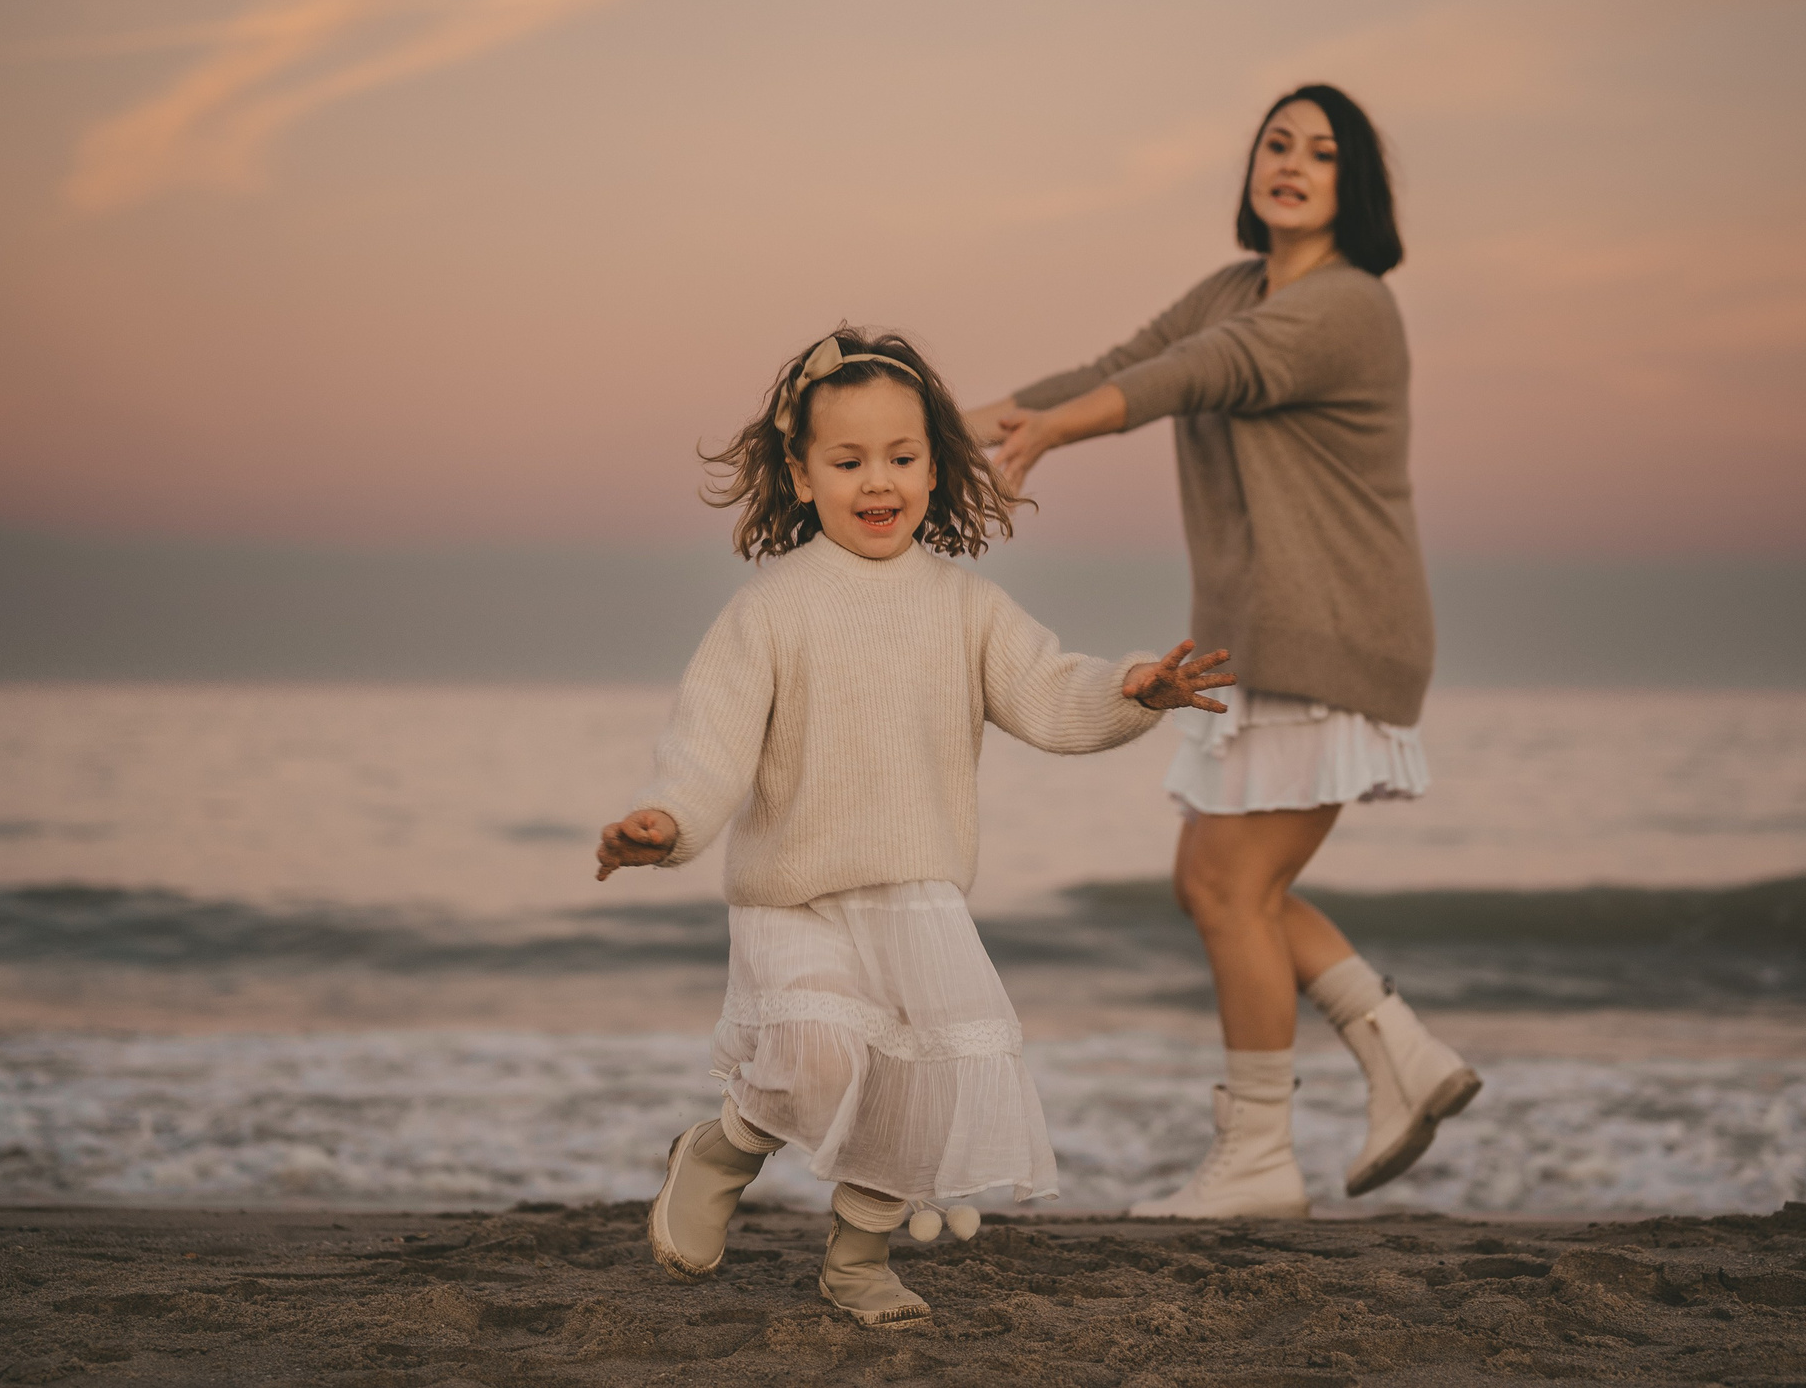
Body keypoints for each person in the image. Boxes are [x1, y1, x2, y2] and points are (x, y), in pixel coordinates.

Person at [596, 326, 1232, 1326]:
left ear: (935, 467)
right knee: (811, 1054)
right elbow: (709, 742)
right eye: (848, 460)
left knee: (915, 1087)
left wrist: (1132, 687)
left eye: (901, 456)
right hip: (793, 894)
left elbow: (1048, 690)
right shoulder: (774, 607)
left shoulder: (964, 604)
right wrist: (667, 821)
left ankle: (856, 1258)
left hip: (916, 898)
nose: (877, 480)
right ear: (802, 475)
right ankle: (720, 1151)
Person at [964, 84, 1478, 1219]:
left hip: (1333, 629)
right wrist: (951, 428)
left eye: (1322, 152)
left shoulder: (1350, 305)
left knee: (1229, 885)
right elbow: (1127, 357)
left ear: (1355, 185)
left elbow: (1194, 374)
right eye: (1275, 143)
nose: (1290, 163)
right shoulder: (1235, 286)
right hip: (1269, 637)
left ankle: (1257, 1156)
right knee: (1221, 881)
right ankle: (1399, 1049)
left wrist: (1056, 431)